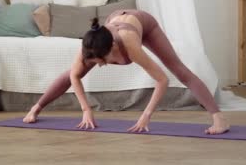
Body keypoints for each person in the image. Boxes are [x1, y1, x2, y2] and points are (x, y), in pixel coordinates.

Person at [23, 9, 230, 134]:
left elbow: (162, 80)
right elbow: (74, 76)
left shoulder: (130, 44)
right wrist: (86, 109)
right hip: (114, 25)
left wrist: (146, 115)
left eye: (102, 62)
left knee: (178, 68)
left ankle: (219, 118)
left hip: (144, 24)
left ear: (113, 49)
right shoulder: (91, 45)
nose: (101, 66)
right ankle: (36, 108)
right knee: (73, 70)